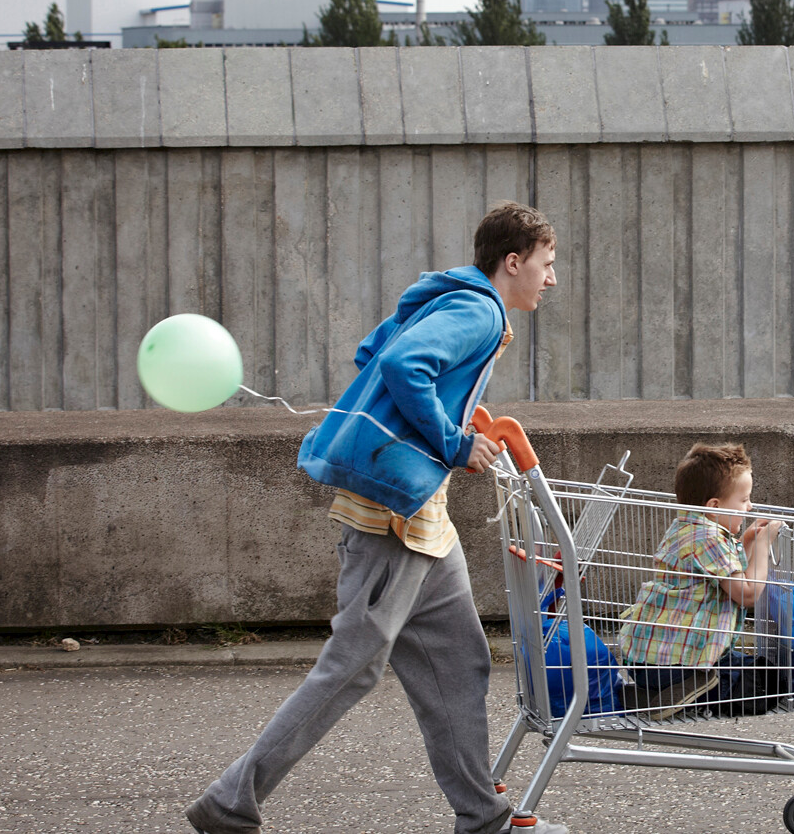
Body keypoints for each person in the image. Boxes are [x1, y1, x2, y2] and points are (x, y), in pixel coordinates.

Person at [187, 201, 566, 834]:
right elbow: (400, 365)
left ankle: (483, 818)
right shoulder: (480, 311)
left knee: (459, 662)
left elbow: (373, 350)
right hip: (391, 521)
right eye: (545, 264)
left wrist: (450, 419)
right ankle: (230, 804)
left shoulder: (448, 297)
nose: (551, 278)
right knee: (353, 667)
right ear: (512, 261)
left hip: (425, 520)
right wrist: (452, 441)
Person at [616, 443, 788, 720]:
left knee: (746, 667)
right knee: (767, 682)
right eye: (744, 499)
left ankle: (654, 693)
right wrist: (763, 545)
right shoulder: (708, 538)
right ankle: (692, 684)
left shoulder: (686, 528)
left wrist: (746, 542)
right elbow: (746, 594)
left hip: (648, 663)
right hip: (676, 666)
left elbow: (725, 577)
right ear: (714, 506)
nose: (750, 506)